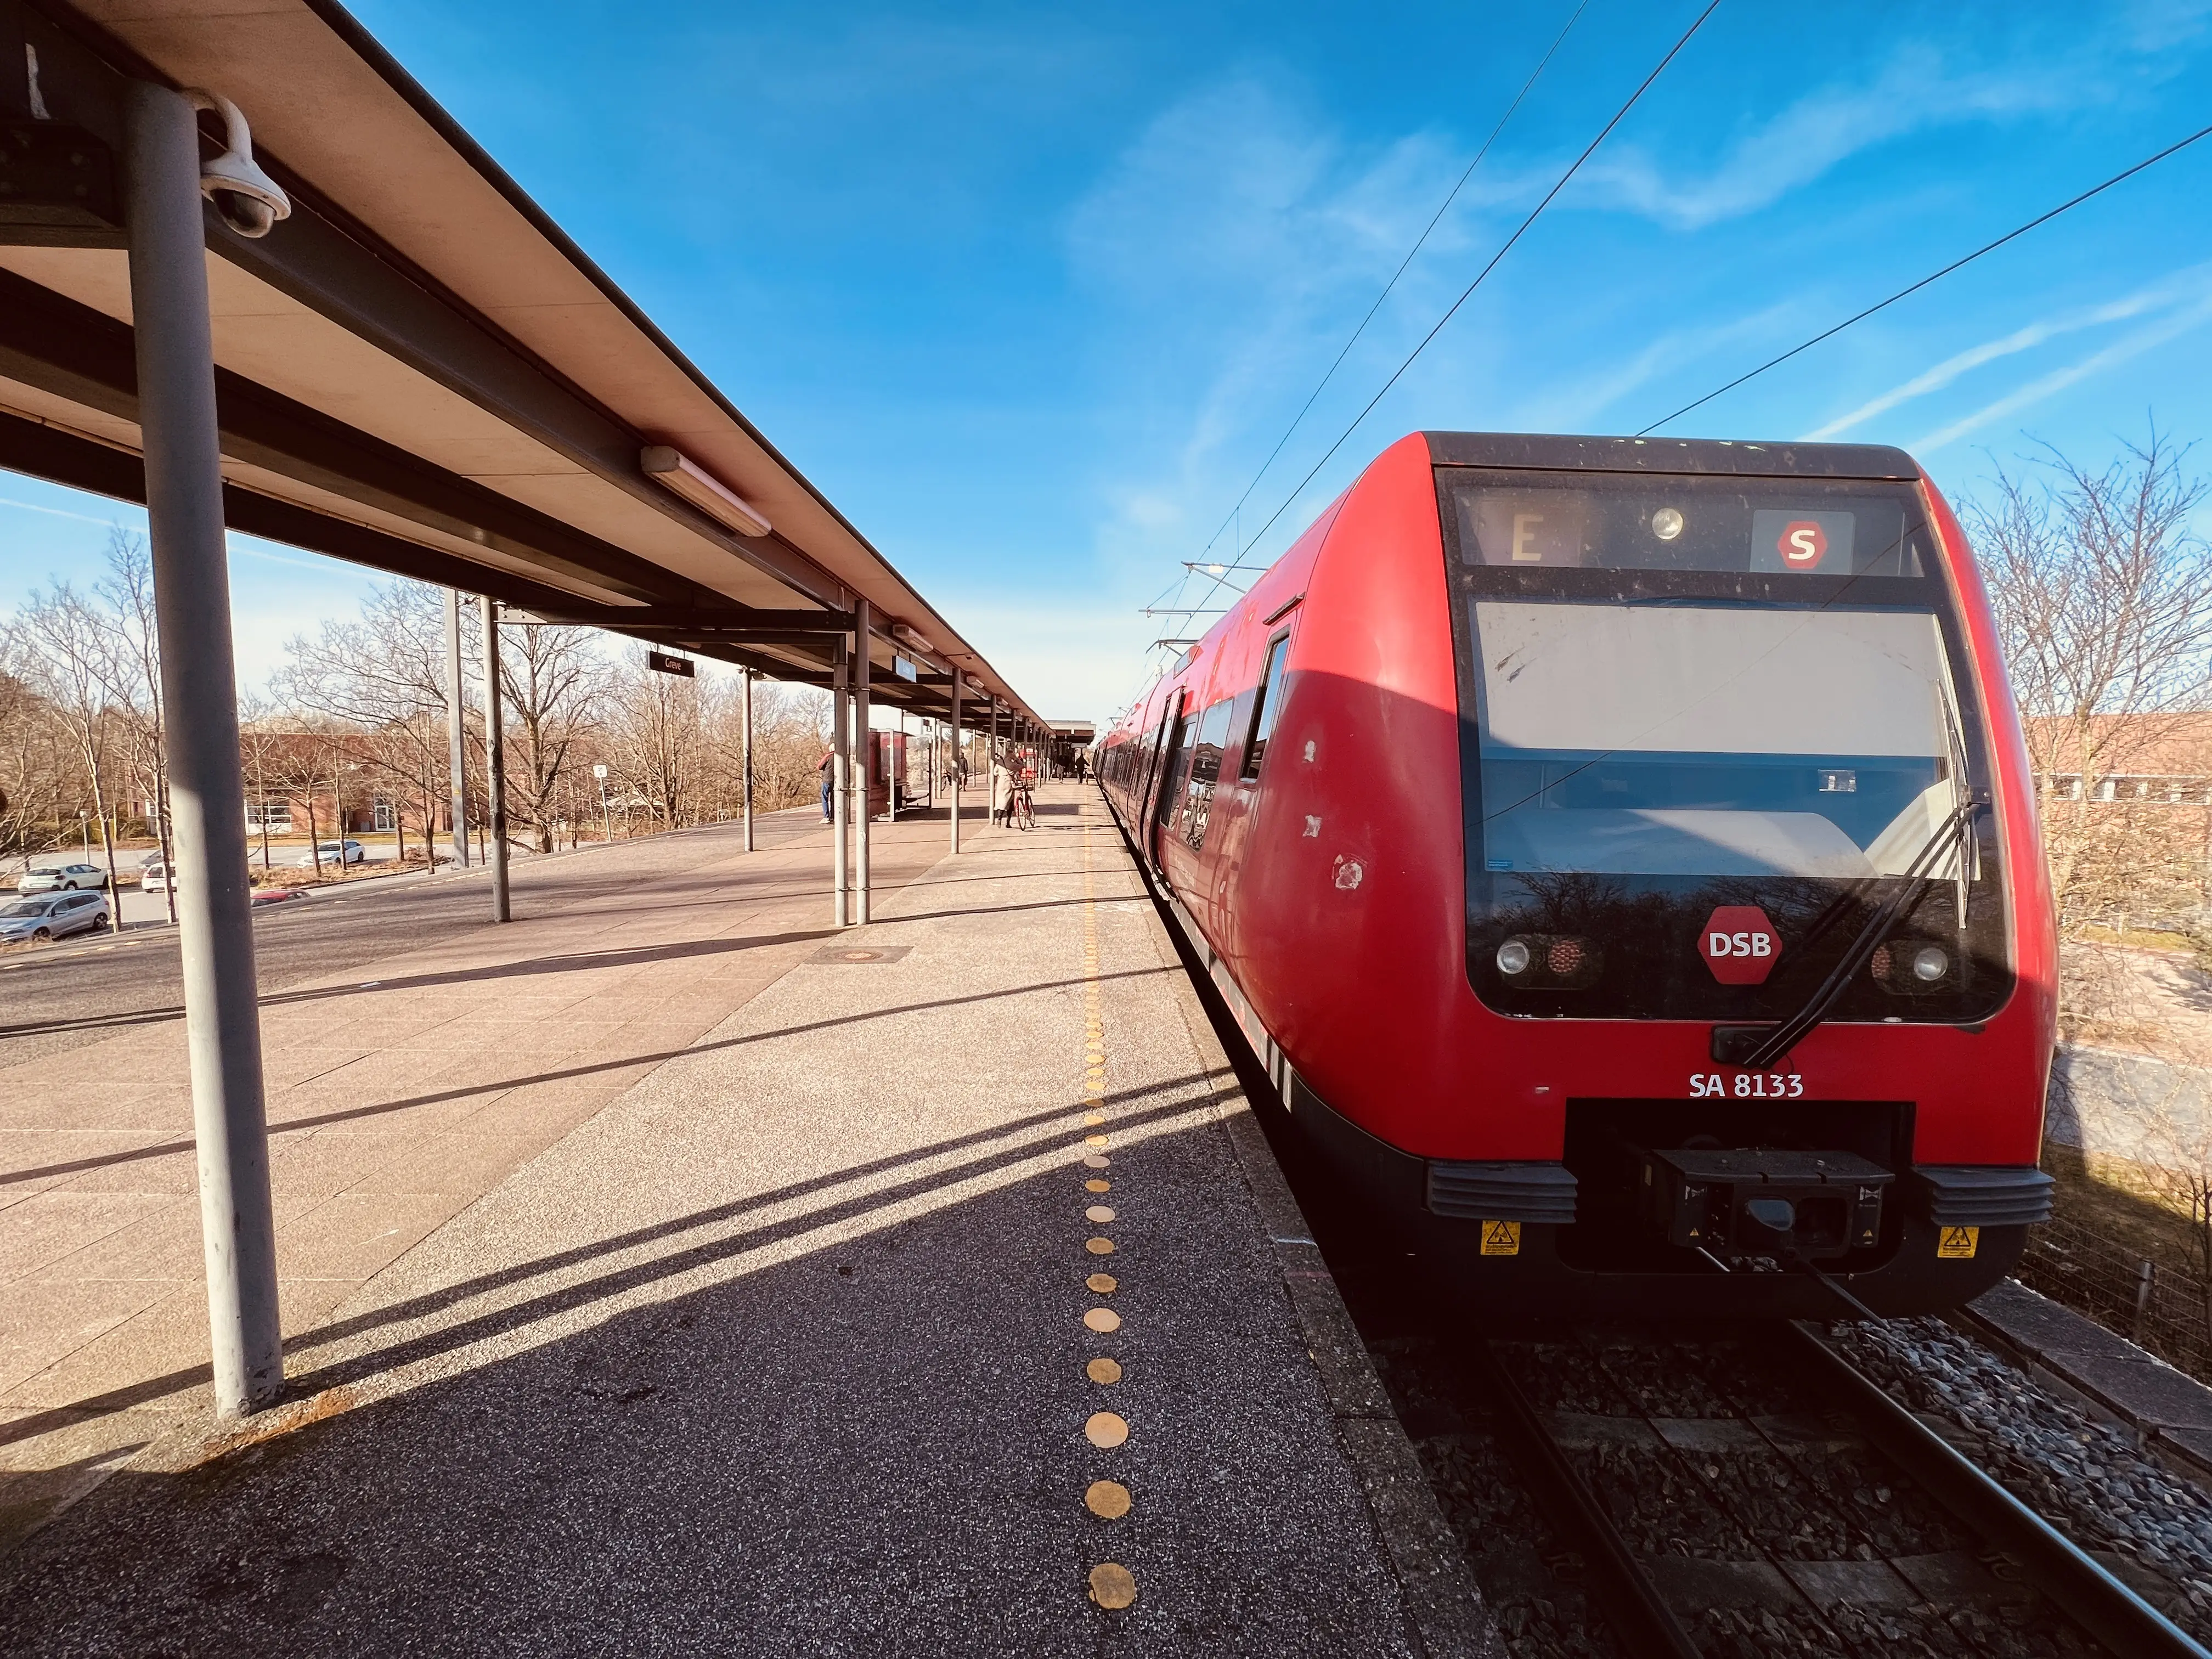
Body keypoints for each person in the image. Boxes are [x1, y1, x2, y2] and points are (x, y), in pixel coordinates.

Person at [990, 755, 1013, 826]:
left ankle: (999, 818)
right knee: (1009, 802)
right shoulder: (1011, 763)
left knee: (1001, 802)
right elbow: (1017, 770)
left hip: (1001, 782)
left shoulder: (999, 763)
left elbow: (995, 773)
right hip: (1009, 782)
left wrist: (1001, 774)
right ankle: (1008, 823)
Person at [818, 747, 836, 822]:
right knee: (834, 799)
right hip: (837, 781)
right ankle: (833, 817)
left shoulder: (829, 756)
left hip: (827, 780)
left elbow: (819, 766)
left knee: (825, 798)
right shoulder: (842, 756)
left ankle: (826, 817)